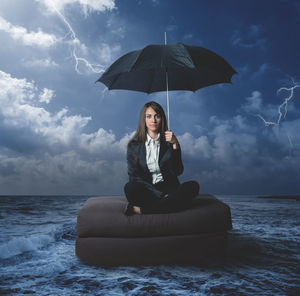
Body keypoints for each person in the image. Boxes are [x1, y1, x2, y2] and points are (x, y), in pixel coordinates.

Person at [124, 101, 199, 215]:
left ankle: (140, 210)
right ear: (143, 119)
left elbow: (178, 171)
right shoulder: (133, 146)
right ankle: (170, 204)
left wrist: (175, 145)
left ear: (162, 118)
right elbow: (134, 177)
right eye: (149, 116)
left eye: (157, 116)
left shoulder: (170, 141)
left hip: (170, 189)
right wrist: (161, 195)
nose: (153, 120)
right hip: (148, 191)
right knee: (130, 188)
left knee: (193, 186)